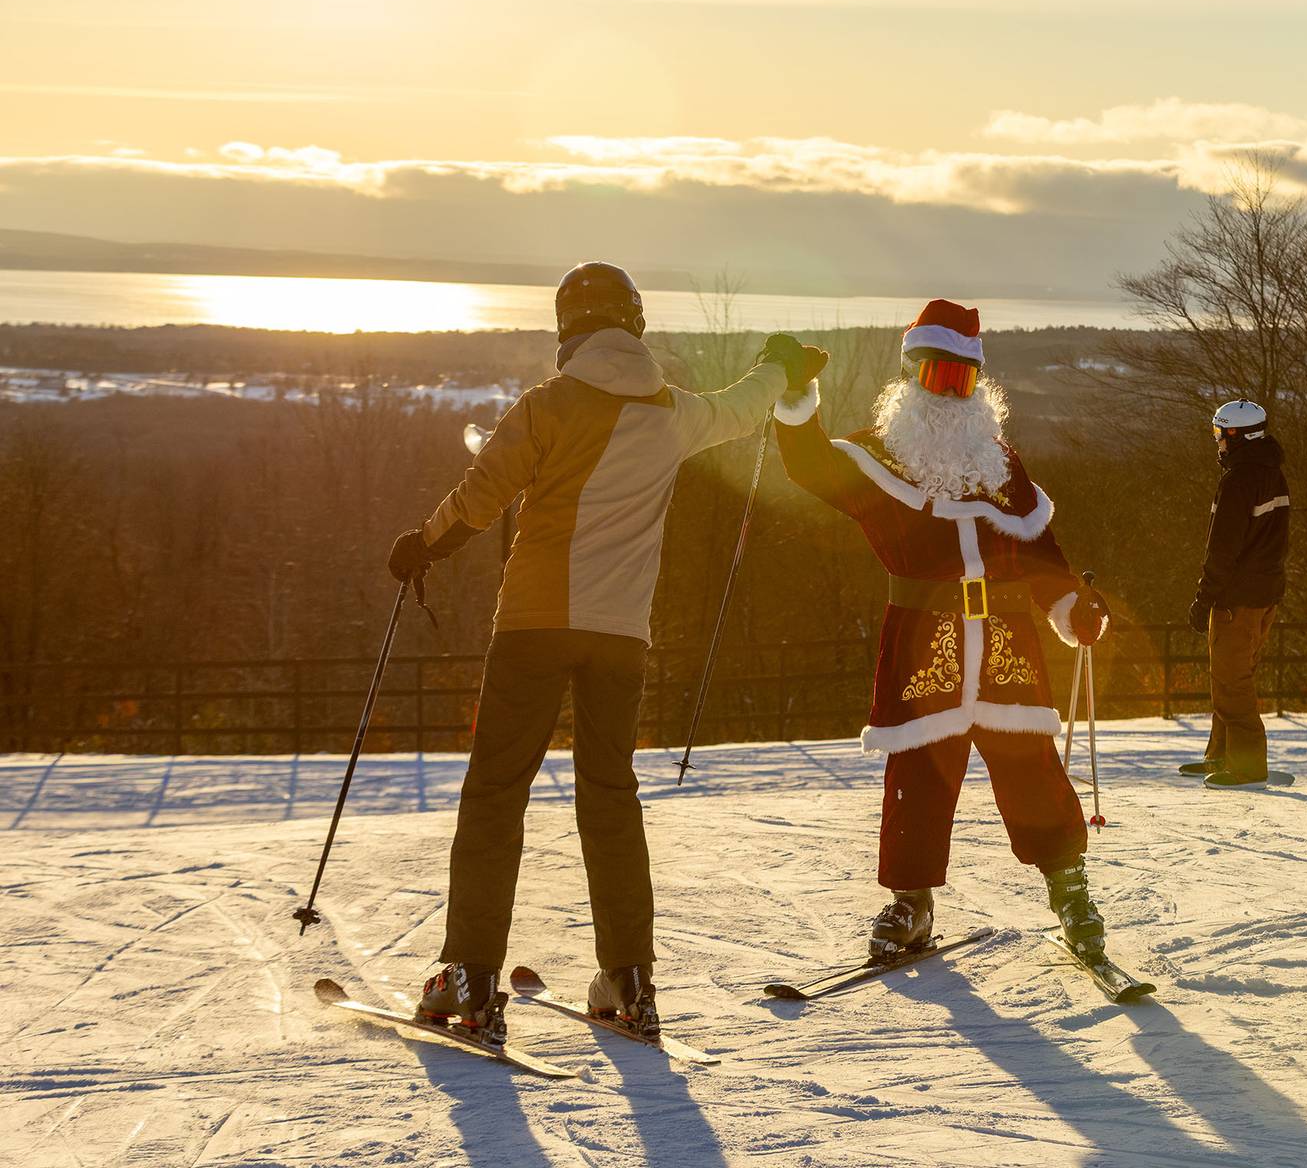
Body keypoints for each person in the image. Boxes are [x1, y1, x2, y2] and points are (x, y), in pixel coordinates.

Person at [385, 260, 827, 1043]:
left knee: (496, 795)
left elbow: (480, 498)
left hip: (532, 629)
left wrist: (420, 546)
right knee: (610, 798)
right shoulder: (676, 413)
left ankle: (469, 976)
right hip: (622, 638)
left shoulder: (548, 406)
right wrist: (780, 361)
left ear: (569, 331)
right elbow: (746, 405)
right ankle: (627, 980)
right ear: (636, 325)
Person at [771, 299, 1116, 964]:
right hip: (922, 642)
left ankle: (1069, 889)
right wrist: (794, 394)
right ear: (911, 377)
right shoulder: (877, 460)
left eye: (963, 382)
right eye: (937, 378)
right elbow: (809, 465)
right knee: (918, 775)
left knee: (1031, 768)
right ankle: (912, 898)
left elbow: (1041, 553)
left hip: (1008, 644)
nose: (950, 393)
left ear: (977, 387)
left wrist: (1072, 605)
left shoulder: (1000, 463)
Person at [1182, 399, 1291, 788]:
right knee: (1233, 675)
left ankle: (1247, 766)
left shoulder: (1239, 480)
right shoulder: (1272, 474)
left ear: (1236, 435)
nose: (1216, 442)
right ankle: (1222, 755)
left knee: (1231, 680)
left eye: (1219, 433)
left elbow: (1222, 549)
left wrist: (1204, 597)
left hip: (1237, 598)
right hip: (1264, 595)